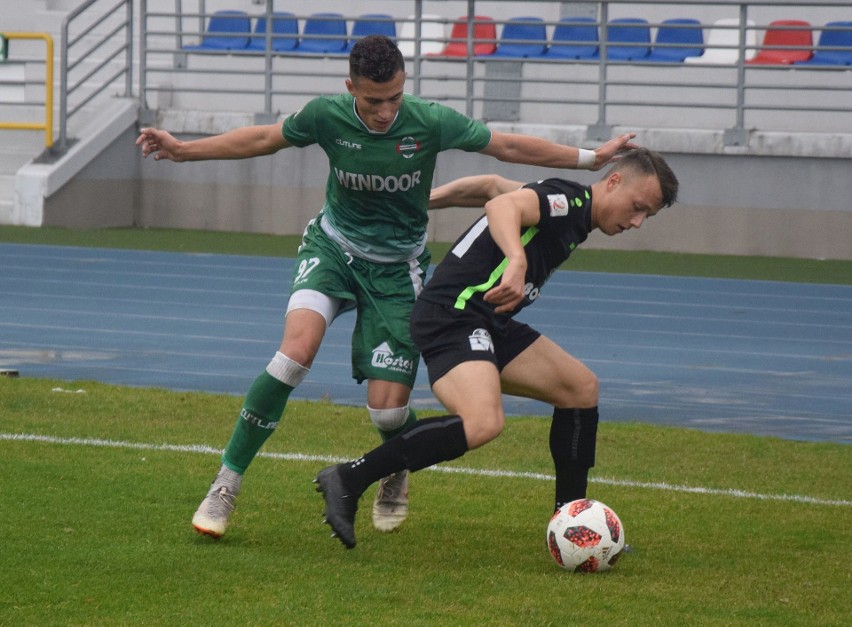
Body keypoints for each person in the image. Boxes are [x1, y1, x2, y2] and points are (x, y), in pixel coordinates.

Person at [136, 34, 637, 540]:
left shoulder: (429, 120)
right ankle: (226, 483)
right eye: (373, 101)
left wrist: (590, 158)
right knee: (294, 353)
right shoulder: (326, 116)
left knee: (389, 408)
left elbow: (505, 145)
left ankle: (394, 468)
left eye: (394, 98)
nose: (384, 111)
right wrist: (184, 151)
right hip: (333, 250)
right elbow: (263, 138)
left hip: (400, 271)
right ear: (350, 87)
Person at [315, 147, 679, 549]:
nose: (638, 222)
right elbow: (502, 205)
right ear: (614, 182)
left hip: (487, 318)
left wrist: (420, 201)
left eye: (649, 216)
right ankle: (348, 478)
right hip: (452, 315)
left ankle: (572, 521)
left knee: (580, 388)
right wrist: (516, 259)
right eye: (637, 207)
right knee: (483, 422)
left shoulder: (569, 206)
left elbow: (490, 186)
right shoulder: (568, 202)